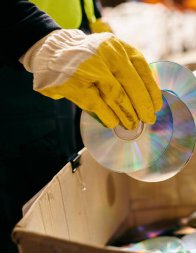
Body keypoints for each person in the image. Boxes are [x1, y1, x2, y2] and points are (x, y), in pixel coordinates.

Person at [0, 1, 162, 252]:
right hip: (15, 70)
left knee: (63, 211)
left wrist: (93, 21)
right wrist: (31, 31)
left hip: (65, 69)